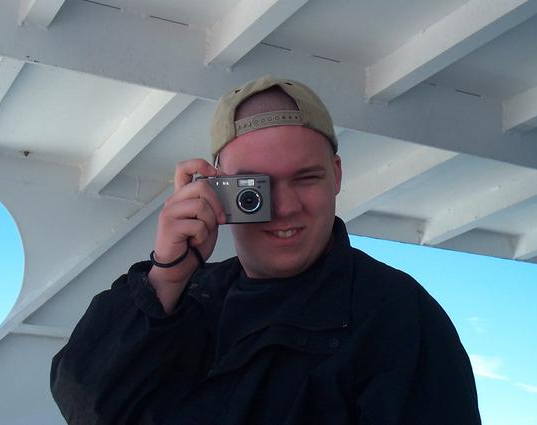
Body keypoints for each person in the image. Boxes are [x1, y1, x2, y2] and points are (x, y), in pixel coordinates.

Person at [50, 76, 481, 424]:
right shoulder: (187, 294)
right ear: (216, 187)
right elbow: (85, 404)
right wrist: (166, 275)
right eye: (255, 187)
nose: (286, 207)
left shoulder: (398, 317)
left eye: (306, 178)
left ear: (336, 175)